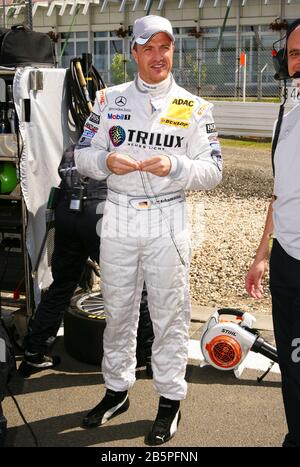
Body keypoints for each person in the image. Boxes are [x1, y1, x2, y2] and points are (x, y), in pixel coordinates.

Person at [75, 14, 222, 445]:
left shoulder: (195, 107)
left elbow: (213, 170)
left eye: (165, 47)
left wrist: (176, 165)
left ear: (173, 50)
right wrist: (104, 162)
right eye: (149, 48)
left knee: (169, 315)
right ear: (134, 53)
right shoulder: (107, 100)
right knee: (117, 310)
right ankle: (117, 391)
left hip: (168, 217)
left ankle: (170, 401)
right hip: (118, 214)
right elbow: (83, 154)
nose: (158, 56)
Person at [18, 142, 153, 378]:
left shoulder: (76, 145)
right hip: (101, 216)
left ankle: (34, 352)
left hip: (67, 213)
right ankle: (153, 358)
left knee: (62, 284)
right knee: (136, 286)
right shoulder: (124, 143)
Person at [245, 19, 300, 448]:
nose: (299, 64)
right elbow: (280, 191)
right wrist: (263, 252)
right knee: (294, 370)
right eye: (295, 54)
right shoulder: (288, 111)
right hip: (287, 264)